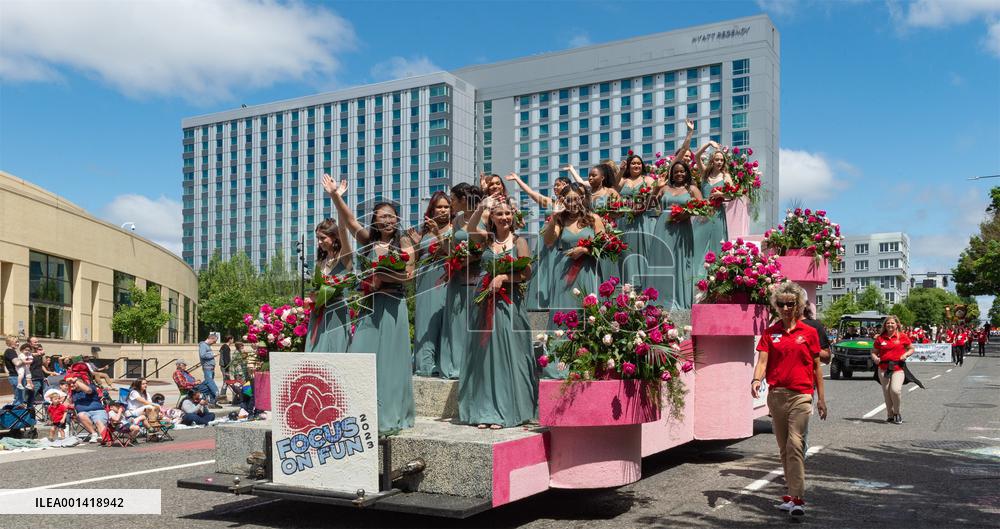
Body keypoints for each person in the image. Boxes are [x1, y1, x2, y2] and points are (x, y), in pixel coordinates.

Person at [325, 174, 415, 435]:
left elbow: (409, 276)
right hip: (368, 307)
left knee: (391, 362)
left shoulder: (404, 242)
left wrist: (382, 278)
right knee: (361, 357)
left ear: (397, 219)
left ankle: (389, 415)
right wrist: (335, 195)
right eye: (382, 216)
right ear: (375, 220)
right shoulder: (367, 241)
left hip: (393, 305)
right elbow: (350, 220)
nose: (387, 220)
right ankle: (357, 412)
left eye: (391, 216)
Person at [459, 195, 538, 429]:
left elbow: (527, 273)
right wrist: (481, 206)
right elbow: (470, 228)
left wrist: (504, 276)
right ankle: (485, 410)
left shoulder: (519, 241)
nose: (504, 217)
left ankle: (506, 410)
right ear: (491, 218)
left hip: (509, 303)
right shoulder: (486, 240)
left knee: (506, 355)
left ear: (513, 216)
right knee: (484, 356)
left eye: (507, 213)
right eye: (499, 214)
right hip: (484, 302)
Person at [752, 281, 827, 517]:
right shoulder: (770, 332)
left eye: (790, 304)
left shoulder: (809, 333)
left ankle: (798, 498)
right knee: (784, 449)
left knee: (795, 445)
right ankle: (791, 492)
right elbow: (763, 361)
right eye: (781, 304)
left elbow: (817, 368)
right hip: (776, 396)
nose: (786, 308)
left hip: (801, 396)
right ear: (776, 306)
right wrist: (755, 380)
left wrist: (821, 399)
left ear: (799, 305)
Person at [539, 183, 606, 379]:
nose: (573, 203)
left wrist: (585, 250)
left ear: (583, 198)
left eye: (576, 198)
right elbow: (549, 241)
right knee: (563, 316)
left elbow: (604, 244)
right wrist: (553, 216)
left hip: (587, 271)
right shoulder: (559, 220)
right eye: (568, 199)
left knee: (586, 315)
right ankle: (560, 364)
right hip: (564, 272)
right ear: (562, 201)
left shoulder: (593, 219)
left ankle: (587, 362)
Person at [438, 182, 486, 383]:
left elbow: (490, 244)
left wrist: (474, 257)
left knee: (476, 320)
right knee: (456, 320)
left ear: (464, 199)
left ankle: (477, 363)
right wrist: (453, 257)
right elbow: (450, 248)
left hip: (479, 273)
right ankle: (456, 363)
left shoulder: (485, 216)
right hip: (458, 276)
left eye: (453, 199)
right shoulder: (456, 220)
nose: (450, 203)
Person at [410, 191, 453, 378]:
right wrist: (417, 245)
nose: (443, 210)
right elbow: (417, 258)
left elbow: (451, 252)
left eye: (446, 206)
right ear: (432, 209)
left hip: (445, 277)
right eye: (439, 207)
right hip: (424, 279)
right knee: (425, 319)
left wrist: (438, 234)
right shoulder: (424, 231)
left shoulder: (456, 227)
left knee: (443, 319)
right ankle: (425, 363)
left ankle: (443, 362)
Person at [650, 155, 702, 309]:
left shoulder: (692, 189)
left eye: (682, 172)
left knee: (680, 262)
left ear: (687, 173)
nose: (679, 174)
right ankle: (659, 301)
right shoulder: (664, 188)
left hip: (682, 228)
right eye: (676, 172)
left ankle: (680, 300)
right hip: (663, 227)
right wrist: (657, 188)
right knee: (662, 261)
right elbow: (651, 205)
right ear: (671, 174)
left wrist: (687, 213)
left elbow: (704, 208)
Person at [305, 212, 353, 355]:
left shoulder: (344, 258)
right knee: (317, 350)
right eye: (317, 238)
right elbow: (319, 287)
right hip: (319, 311)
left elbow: (344, 233)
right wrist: (312, 297)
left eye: (323, 238)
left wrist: (337, 200)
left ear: (334, 237)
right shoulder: (321, 261)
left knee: (335, 349)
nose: (319, 242)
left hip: (336, 311)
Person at [693, 142, 732, 265]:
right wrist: (709, 143)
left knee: (717, 243)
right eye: (717, 159)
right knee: (698, 241)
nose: (720, 162)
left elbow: (732, 195)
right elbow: (697, 156)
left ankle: (715, 276)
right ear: (712, 161)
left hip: (718, 213)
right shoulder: (705, 173)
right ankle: (696, 277)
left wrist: (721, 195)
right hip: (704, 212)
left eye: (721, 160)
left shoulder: (726, 176)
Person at [871, 315, 914, 425]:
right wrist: (875, 358)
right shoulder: (880, 338)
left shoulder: (902, 336)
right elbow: (874, 352)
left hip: (897, 368)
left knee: (895, 390)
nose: (890, 325)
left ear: (897, 325)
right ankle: (890, 415)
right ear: (885, 325)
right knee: (886, 392)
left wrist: (906, 354)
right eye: (888, 323)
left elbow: (911, 348)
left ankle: (897, 412)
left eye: (892, 323)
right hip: (883, 368)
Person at [66, 373, 108, 443]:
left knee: (99, 422)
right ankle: (94, 434)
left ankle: (103, 437)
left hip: (98, 411)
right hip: (83, 414)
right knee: (81, 415)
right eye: (71, 384)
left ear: (80, 383)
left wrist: (75, 380)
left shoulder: (91, 386)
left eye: (73, 383)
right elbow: (67, 404)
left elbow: (88, 391)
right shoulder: (72, 393)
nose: (72, 385)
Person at [198, 334, 220, 405]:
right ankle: (214, 395)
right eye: (214, 341)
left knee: (209, 384)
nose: (215, 343)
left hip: (211, 368)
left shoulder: (207, 346)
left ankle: (212, 401)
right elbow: (202, 355)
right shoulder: (203, 345)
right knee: (209, 383)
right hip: (207, 368)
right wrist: (212, 355)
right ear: (211, 338)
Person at [217, 336, 233, 403]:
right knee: (226, 381)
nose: (233, 341)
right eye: (232, 339)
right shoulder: (226, 347)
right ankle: (222, 397)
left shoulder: (224, 346)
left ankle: (222, 397)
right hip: (225, 367)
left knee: (227, 382)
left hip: (224, 366)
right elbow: (226, 359)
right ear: (230, 340)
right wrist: (227, 369)